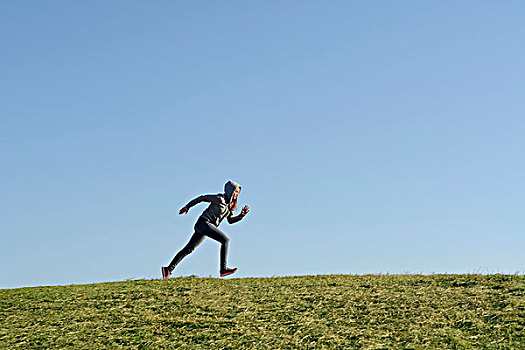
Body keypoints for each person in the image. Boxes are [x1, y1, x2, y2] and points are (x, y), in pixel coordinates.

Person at [162, 180, 250, 279]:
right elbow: (203, 198)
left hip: (207, 227)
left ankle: (168, 269)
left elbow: (230, 221)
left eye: (238, 192)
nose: (236, 194)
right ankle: (223, 269)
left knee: (189, 249)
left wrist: (241, 215)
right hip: (203, 223)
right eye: (235, 191)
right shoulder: (219, 198)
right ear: (230, 190)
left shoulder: (229, 207)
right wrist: (188, 206)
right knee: (225, 240)